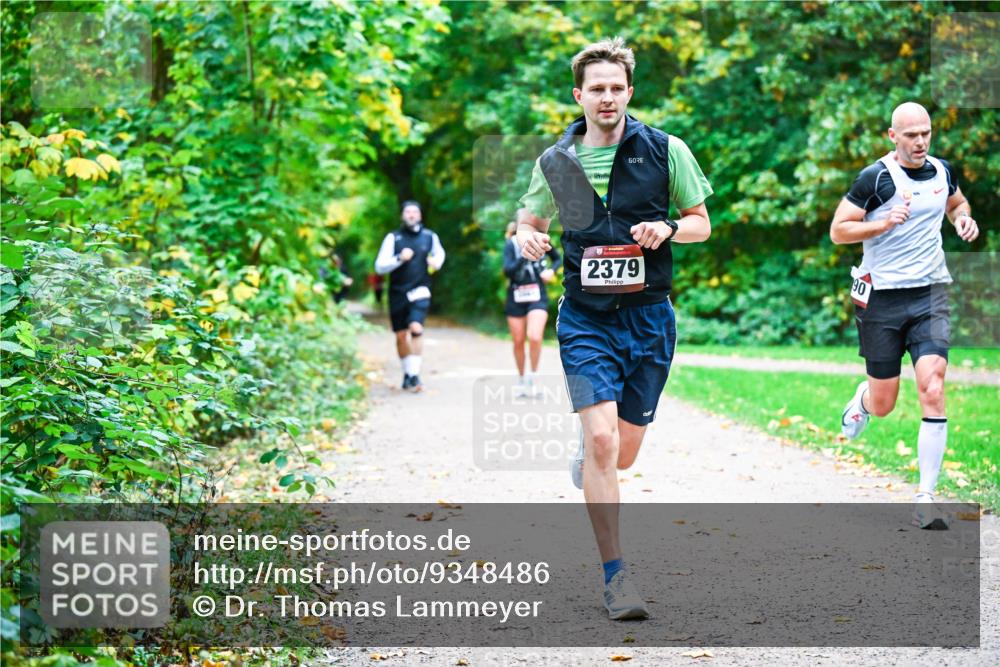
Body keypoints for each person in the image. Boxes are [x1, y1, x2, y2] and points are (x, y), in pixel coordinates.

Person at [516, 37, 713, 619]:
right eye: (596, 89)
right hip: (585, 319)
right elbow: (526, 224)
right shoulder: (554, 162)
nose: (607, 97)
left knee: (622, 455)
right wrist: (525, 236)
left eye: (616, 88)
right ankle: (616, 578)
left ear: (630, 92)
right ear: (579, 95)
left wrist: (669, 228)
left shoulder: (665, 150)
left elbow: (702, 222)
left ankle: (595, 452)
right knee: (602, 442)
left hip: (651, 319)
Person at [830, 102, 979, 530]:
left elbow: (957, 203)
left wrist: (963, 219)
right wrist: (881, 224)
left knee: (932, 386)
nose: (920, 141)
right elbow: (839, 230)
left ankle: (925, 497)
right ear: (892, 136)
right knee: (885, 402)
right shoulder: (875, 178)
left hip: (930, 292)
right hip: (881, 300)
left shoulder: (941, 170)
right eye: (911, 134)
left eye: (926, 133)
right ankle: (863, 400)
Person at [374, 200, 446, 392]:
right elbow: (379, 266)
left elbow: (440, 254)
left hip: (420, 290)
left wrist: (436, 262)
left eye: (415, 212)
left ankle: (414, 375)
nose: (411, 215)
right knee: (400, 336)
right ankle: (408, 374)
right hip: (397, 292)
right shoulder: (393, 238)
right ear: (402, 215)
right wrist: (399, 258)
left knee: (416, 328)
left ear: (420, 215)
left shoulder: (430, 236)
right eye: (408, 212)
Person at [503, 221, 562, 397]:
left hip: (537, 296)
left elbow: (558, 258)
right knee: (518, 341)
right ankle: (521, 380)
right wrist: (524, 253)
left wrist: (551, 271)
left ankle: (534, 379)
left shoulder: (542, 241)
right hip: (516, 296)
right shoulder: (511, 243)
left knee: (535, 336)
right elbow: (508, 271)